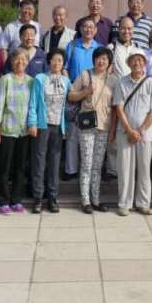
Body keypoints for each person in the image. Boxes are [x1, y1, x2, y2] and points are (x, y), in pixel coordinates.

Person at [113, 49, 152, 216]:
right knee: (124, 169)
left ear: (145, 63)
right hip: (124, 132)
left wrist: (140, 131)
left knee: (144, 169)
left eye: (140, 60)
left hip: (145, 134)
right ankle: (124, 204)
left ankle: (143, 203)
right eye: (133, 60)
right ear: (128, 63)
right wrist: (129, 130)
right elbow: (119, 108)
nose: (137, 63)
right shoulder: (121, 82)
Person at [68, 46, 117, 213]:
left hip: (104, 126)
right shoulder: (85, 75)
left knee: (97, 165)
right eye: (98, 58)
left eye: (105, 58)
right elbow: (71, 95)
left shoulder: (113, 80)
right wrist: (85, 91)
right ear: (94, 59)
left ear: (109, 62)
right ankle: (85, 200)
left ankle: (96, 199)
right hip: (87, 126)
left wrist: (112, 130)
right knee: (87, 163)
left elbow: (116, 108)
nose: (101, 61)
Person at [28, 47, 71, 214]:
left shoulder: (66, 81)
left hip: (58, 127)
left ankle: (52, 198)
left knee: (54, 162)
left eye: (60, 60)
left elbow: (71, 100)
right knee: (39, 161)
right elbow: (33, 103)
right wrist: (32, 123)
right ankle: (38, 198)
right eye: (54, 60)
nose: (57, 63)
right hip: (42, 125)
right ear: (49, 62)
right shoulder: (40, 79)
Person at [0, 48, 34, 214]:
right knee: (4, 167)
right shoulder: (5, 80)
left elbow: (33, 106)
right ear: (11, 61)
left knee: (20, 167)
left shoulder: (31, 81)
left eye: (23, 60)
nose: (20, 62)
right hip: (7, 129)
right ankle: (2, 201)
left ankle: (16, 200)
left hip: (24, 131)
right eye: (17, 59)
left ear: (27, 62)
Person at [64, 18, 99, 178]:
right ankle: (71, 169)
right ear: (80, 29)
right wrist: (71, 87)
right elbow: (64, 68)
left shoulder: (99, 47)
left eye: (91, 27)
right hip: (75, 93)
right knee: (72, 133)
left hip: (93, 94)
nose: (88, 29)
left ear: (95, 30)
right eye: (85, 26)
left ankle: (89, 169)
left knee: (90, 132)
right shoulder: (72, 46)